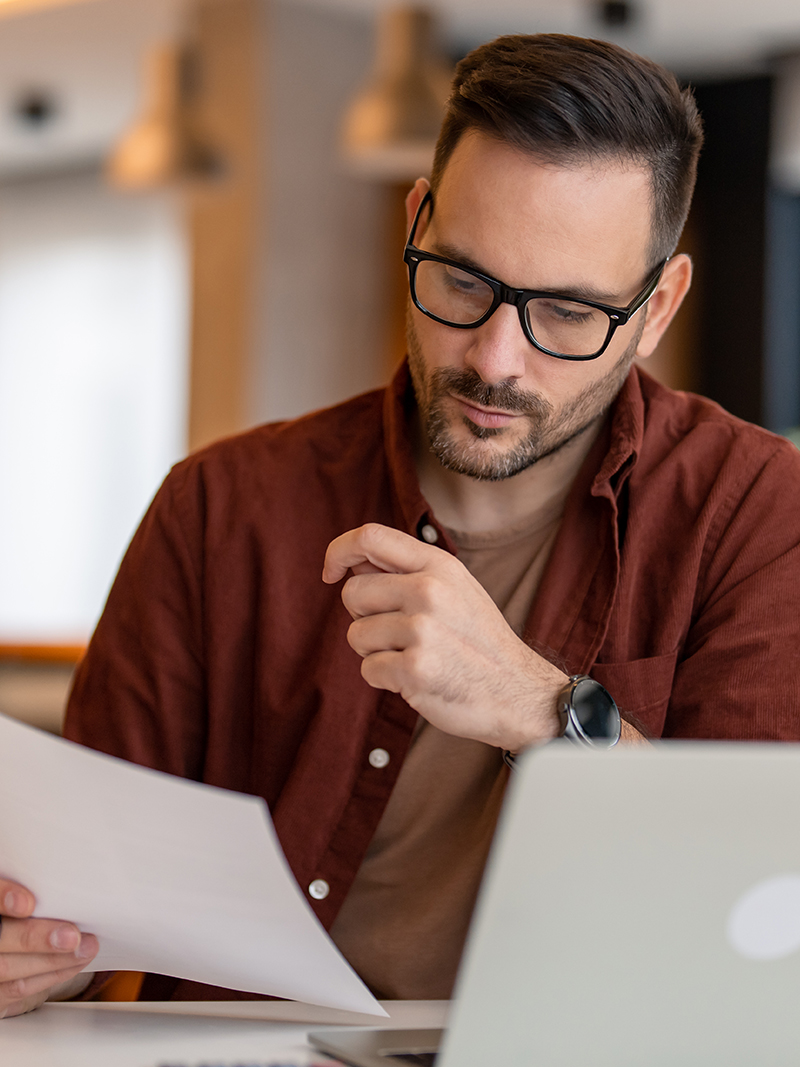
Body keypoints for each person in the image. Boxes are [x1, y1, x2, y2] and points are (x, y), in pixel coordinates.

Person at [3, 31, 800, 1019]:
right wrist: (39, 947)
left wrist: (541, 708)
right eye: (462, 280)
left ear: (658, 306)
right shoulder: (218, 506)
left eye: (566, 313)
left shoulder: (752, 510)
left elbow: (757, 899)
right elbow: (79, 894)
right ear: (417, 219)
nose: (494, 359)